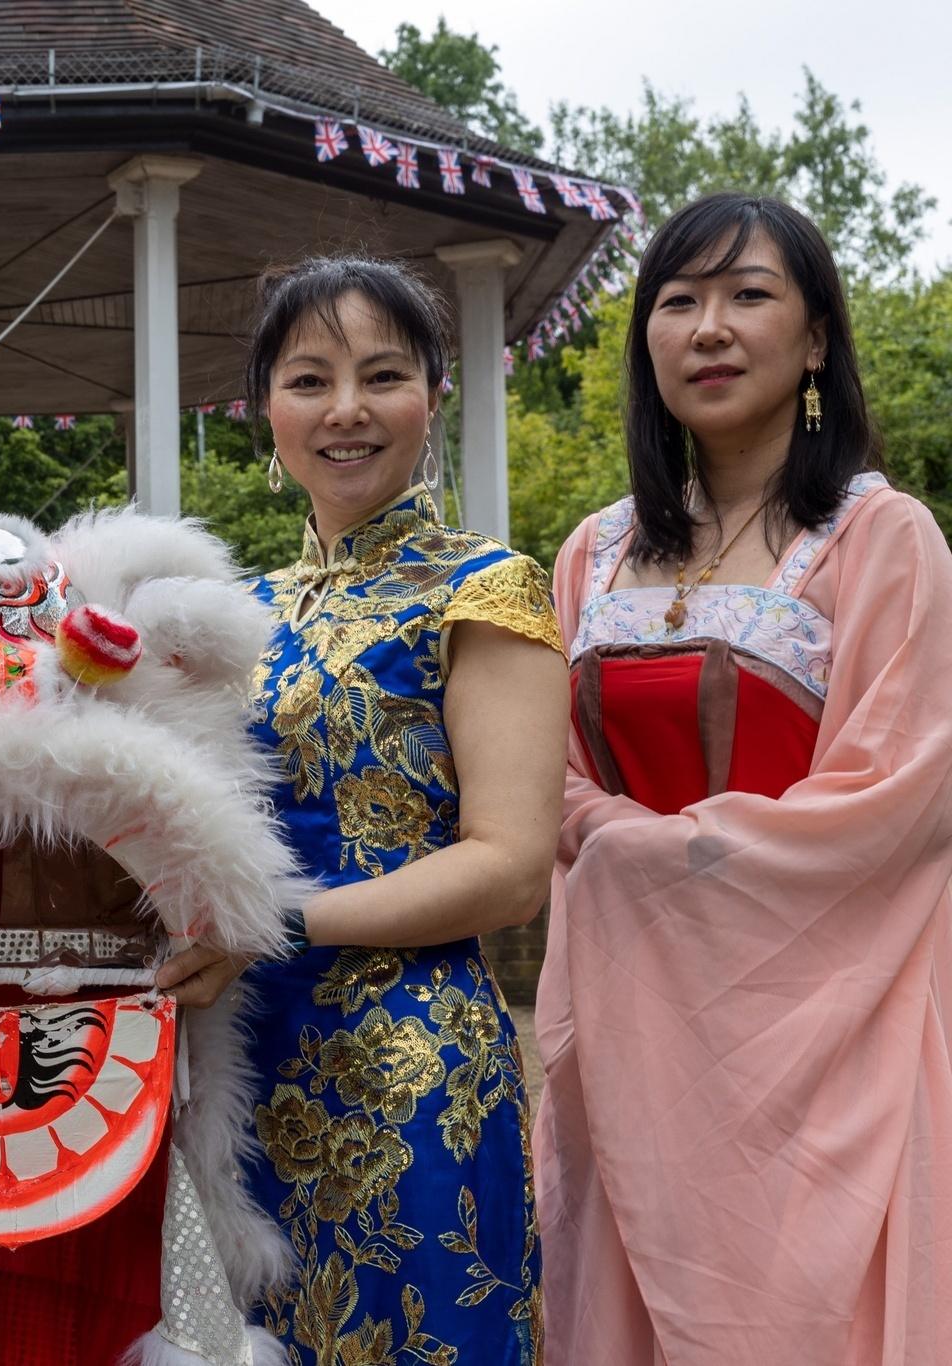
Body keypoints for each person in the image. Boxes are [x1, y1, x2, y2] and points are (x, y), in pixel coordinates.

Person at [535, 193, 952, 1363]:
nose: (706, 328)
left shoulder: (882, 539)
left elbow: (895, 792)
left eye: (746, 295)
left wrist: (642, 850)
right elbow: (546, 777)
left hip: (823, 1032)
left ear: (815, 338)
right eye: (676, 302)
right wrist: (608, 837)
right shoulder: (593, 550)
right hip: (631, 1035)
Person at [160, 256, 567, 1364]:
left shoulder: (485, 586)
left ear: (433, 397)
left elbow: (510, 862)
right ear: (263, 410)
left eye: (381, 374)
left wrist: (285, 922)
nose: (344, 410)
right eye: (308, 380)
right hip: (237, 1063)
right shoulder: (236, 612)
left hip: (407, 1064)